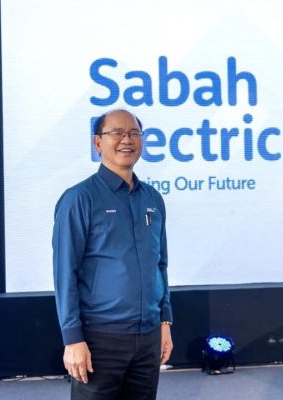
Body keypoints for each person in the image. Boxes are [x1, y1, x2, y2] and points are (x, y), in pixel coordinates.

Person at [52, 109, 173, 400]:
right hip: (100, 339)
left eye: (134, 133)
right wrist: (73, 339)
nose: (126, 140)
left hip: (148, 337)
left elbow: (160, 264)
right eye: (117, 133)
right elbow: (65, 272)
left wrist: (164, 322)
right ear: (98, 142)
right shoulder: (79, 199)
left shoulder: (152, 198)